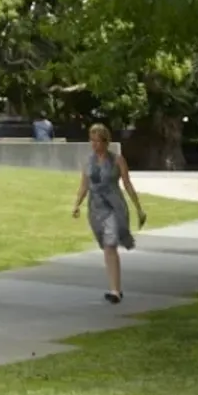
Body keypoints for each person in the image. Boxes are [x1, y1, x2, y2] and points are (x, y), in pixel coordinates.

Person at [71, 124, 147, 304]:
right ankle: (115, 288)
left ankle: (115, 290)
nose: (95, 144)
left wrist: (138, 208)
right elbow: (84, 186)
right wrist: (76, 205)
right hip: (96, 208)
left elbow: (127, 184)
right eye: (92, 140)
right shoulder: (88, 161)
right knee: (106, 245)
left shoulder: (117, 160)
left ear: (106, 142)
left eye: (98, 141)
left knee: (110, 243)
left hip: (114, 206)